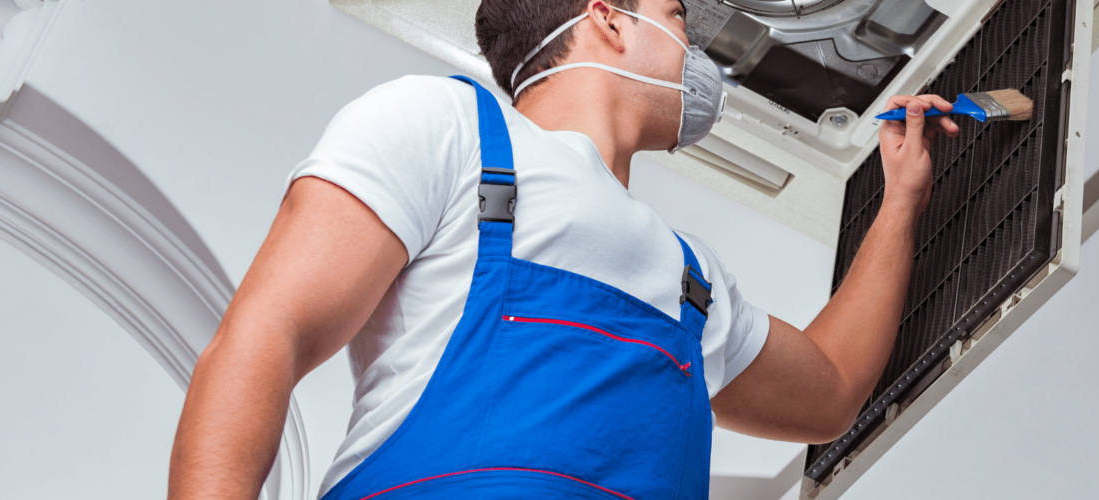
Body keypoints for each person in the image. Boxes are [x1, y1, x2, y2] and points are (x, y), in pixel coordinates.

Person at [166, 0, 959, 498]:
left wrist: (901, 202)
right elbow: (266, 338)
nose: (698, 55)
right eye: (680, 17)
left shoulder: (693, 279)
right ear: (610, 16)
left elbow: (828, 395)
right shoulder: (447, 128)